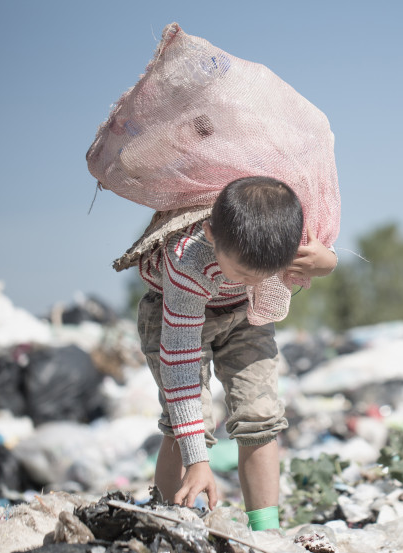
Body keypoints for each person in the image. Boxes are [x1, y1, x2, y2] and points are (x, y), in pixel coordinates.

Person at [135, 175, 337, 531]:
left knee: (260, 417)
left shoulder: (277, 242)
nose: (252, 281)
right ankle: (168, 525)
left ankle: (265, 531)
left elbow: (320, 258)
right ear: (213, 235)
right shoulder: (187, 260)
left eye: (264, 275)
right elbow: (180, 369)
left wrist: (328, 262)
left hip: (247, 314)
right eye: (243, 272)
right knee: (184, 421)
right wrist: (198, 461)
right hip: (174, 312)